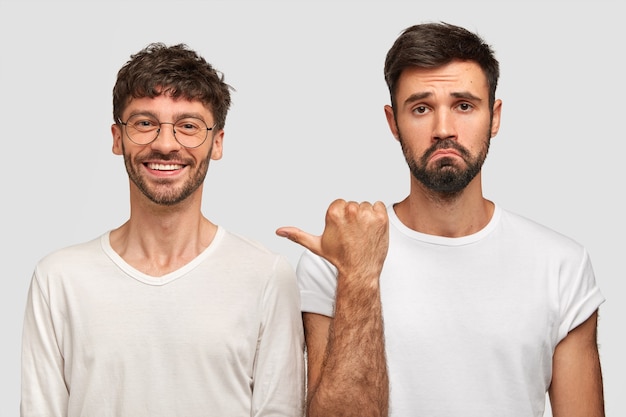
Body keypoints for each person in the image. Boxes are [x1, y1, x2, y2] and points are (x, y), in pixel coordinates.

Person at [276, 22, 605, 417]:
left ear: (494, 116)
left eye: (464, 105)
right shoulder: (338, 259)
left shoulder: (560, 266)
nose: (443, 130)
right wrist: (359, 277)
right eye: (421, 108)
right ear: (393, 123)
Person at [21, 43, 304, 417]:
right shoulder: (59, 280)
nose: (165, 144)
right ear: (117, 137)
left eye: (188, 126)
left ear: (216, 143)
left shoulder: (267, 277)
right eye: (144, 123)